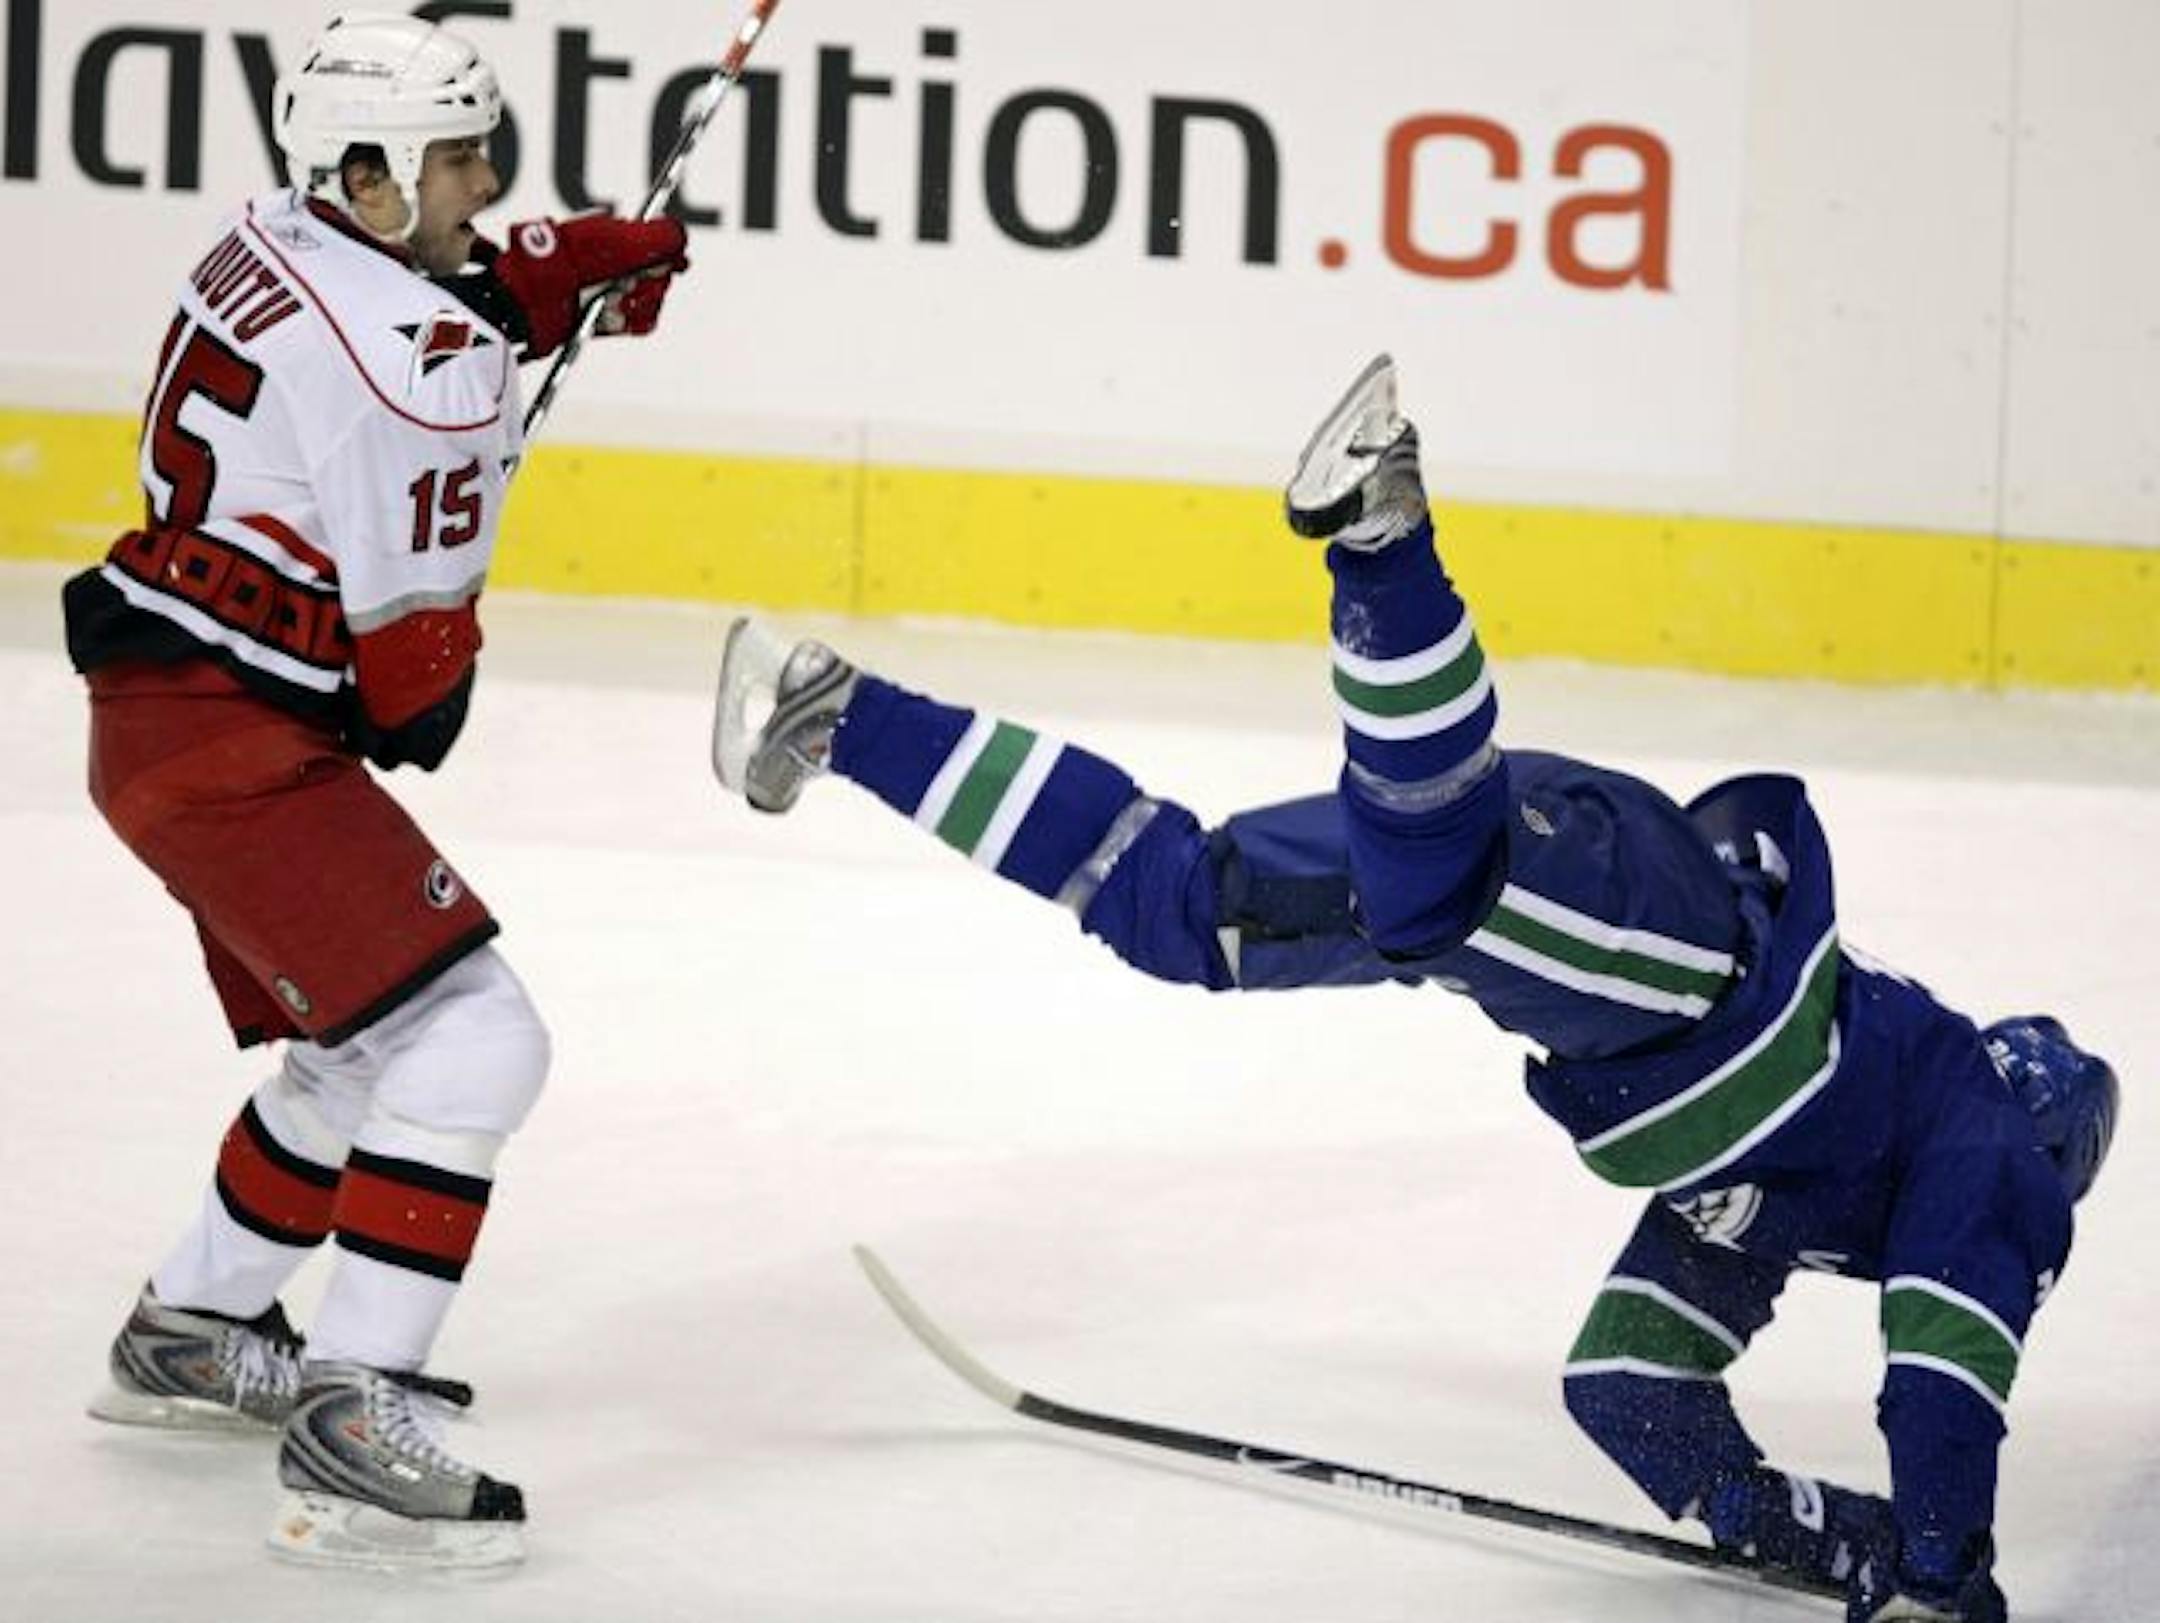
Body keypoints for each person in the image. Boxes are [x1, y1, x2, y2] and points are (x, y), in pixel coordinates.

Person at [709, 355, 2118, 1622]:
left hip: (1645, 982)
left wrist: (1790, 1527)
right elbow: (1944, 1374)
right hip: (1689, 969)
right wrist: (1943, 1570)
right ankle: (1384, 535)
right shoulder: (1990, 1154)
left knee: (1180, 907)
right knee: (1447, 882)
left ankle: (830, 711)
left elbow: (1627, 1384)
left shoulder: (1791, 1200)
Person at [62, 12, 691, 1570]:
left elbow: (393, 309)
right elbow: (415, 696)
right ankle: (354, 1425)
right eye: (462, 161)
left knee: (361, 1049)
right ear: (365, 172)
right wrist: (503, 342)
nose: (486, 184)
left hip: (165, 714)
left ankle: (191, 1331)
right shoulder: (425, 375)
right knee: (478, 1037)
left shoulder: (270, 229)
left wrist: (525, 288)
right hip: (228, 748)